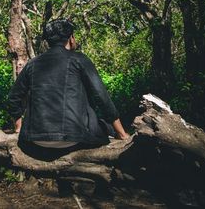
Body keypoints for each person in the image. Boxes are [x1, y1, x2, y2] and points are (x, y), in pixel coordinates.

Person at [7, 19, 129, 161]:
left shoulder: (32, 64)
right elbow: (102, 97)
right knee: (105, 126)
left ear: (48, 41)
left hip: (36, 140)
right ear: (71, 38)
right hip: (73, 139)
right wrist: (122, 134)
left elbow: (13, 99)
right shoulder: (79, 59)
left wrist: (18, 128)